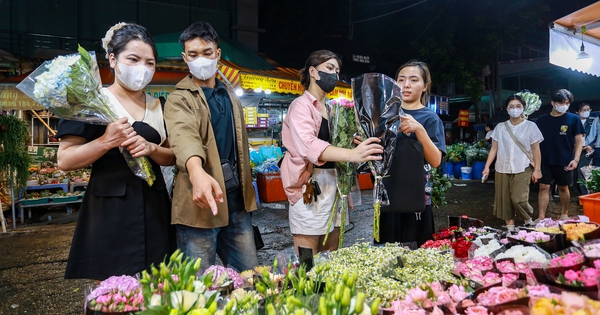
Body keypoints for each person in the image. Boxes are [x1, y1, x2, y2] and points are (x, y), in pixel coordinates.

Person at [56, 23, 176, 280]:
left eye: (150, 63)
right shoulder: (91, 102)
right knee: (115, 291)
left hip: (155, 207)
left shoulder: (159, 106)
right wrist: (105, 142)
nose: (142, 69)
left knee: (156, 286)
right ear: (112, 59)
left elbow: (172, 155)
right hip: (109, 211)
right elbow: (65, 159)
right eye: (133, 59)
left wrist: (152, 148)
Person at [163, 21, 258, 274]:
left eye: (207, 53)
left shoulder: (230, 94)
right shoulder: (179, 98)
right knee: (197, 288)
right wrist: (196, 171)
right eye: (193, 55)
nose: (201, 59)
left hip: (237, 206)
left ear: (217, 54)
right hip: (199, 208)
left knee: (250, 280)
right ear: (185, 58)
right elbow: (184, 137)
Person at [280, 50, 383, 254]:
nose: (334, 74)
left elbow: (337, 146)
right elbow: (308, 145)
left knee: (330, 256)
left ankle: (325, 287)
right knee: (308, 262)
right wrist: (352, 155)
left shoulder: (334, 110)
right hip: (309, 186)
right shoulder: (300, 106)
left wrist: (353, 145)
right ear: (313, 71)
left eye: (337, 70)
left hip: (335, 186)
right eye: (329, 68)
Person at [376, 60, 446, 247]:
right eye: (401, 79)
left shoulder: (430, 118)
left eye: (414, 80)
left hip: (417, 201)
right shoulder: (384, 116)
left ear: (425, 86)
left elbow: (436, 160)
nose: (406, 85)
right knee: (385, 256)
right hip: (387, 199)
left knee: (416, 255)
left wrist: (419, 130)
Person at [482, 95, 543, 232]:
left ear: (523, 108)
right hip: (502, 167)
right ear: (506, 109)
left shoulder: (531, 126)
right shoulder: (500, 127)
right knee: (504, 200)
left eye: (518, 106)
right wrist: (486, 167)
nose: (514, 109)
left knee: (518, 199)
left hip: (523, 167)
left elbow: (536, 150)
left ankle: (528, 218)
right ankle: (510, 228)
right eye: (511, 107)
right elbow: (494, 148)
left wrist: (537, 169)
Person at [535, 89, 584, 222]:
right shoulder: (541, 121)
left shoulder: (574, 119)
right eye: (561, 103)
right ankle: (541, 216)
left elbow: (579, 140)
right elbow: (534, 142)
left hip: (565, 159)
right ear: (553, 103)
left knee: (563, 187)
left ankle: (564, 213)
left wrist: (576, 158)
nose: (564, 105)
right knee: (543, 186)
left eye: (567, 103)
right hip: (544, 159)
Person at [574, 103, 595, 195]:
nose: (586, 112)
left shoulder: (592, 122)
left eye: (588, 109)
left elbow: (596, 136)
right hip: (575, 150)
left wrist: (590, 146)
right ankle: (578, 195)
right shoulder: (574, 122)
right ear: (577, 112)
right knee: (574, 173)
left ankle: (585, 194)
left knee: (582, 172)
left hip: (587, 151)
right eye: (584, 110)